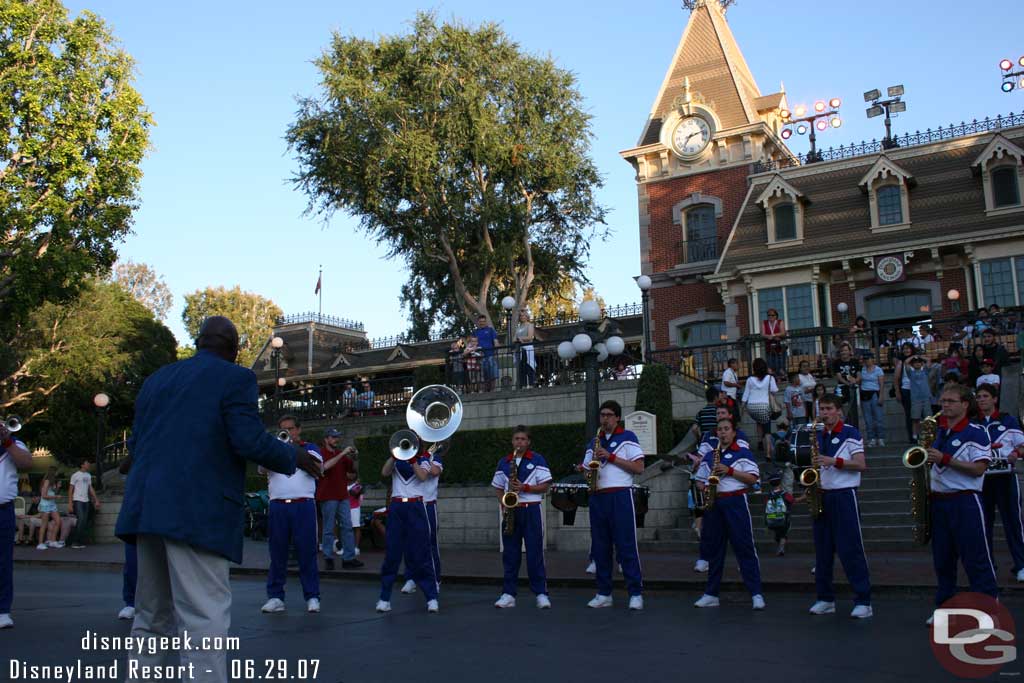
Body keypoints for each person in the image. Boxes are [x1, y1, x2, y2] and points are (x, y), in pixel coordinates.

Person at [115, 316, 320, 683]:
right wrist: (296, 457)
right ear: (234, 349)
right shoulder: (235, 378)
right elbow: (247, 440)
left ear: (198, 342)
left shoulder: (156, 380)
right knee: (203, 620)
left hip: (146, 509)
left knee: (150, 618)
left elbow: (135, 449)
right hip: (197, 512)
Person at [924, 384, 997, 625]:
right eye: (943, 401)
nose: (945, 405)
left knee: (975, 557)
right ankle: (945, 608)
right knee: (943, 560)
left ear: (965, 404)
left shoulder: (975, 432)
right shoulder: (940, 432)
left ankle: (987, 607)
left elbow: (978, 469)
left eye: (951, 401)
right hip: (939, 502)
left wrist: (945, 458)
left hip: (965, 500)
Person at [807, 395, 873, 619]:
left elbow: (861, 464)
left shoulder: (850, 432)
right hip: (823, 495)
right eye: (821, 408)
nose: (824, 413)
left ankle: (864, 600)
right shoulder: (819, 434)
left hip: (844, 495)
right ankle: (825, 598)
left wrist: (835, 461)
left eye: (828, 409)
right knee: (822, 551)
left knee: (850, 549)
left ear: (838, 411)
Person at [693, 417, 765, 610]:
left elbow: (753, 478)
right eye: (720, 429)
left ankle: (756, 593)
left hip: (735, 502)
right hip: (714, 503)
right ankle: (711, 593)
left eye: (726, 429)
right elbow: (699, 481)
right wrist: (704, 488)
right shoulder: (709, 456)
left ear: (734, 433)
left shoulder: (743, 453)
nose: (723, 432)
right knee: (715, 550)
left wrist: (730, 471)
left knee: (745, 547)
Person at [581, 400, 645, 610]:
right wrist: (588, 471)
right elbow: (585, 469)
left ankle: (635, 593)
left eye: (609, 415)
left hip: (620, 495)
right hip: (598, 496)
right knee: (600, 547)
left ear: (617, 417)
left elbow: (639, 467)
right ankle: (604, 593)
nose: (605, 419)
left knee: (626, 546)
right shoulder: (594, 441)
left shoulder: (628, 438)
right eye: (602, 415)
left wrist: (612, 457)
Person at [261, 415, 323, 614]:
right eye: (283, 429)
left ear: (298, 430)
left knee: (307, 552)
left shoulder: (310, 448)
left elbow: (318, 467)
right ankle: (276, 597)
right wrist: (276, 448)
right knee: (277, 552)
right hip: (278, 505)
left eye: (291, 429)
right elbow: (262, 468)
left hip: (303, 504)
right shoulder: (273, 449)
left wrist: (292, 446)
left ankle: (312, 596)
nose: (287, 432)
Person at [376, 440, 442, 613]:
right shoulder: (396, 460)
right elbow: (384, 472)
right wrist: (393, 456)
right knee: (392, 554)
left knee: (422, 552)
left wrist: (413, 460)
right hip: (397, 505)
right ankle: (384, 598)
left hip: (416, 506)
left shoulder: (423, 459)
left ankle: (431, 597)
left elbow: (422, 476)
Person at [491, 426, 553, 609]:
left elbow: (545, 486)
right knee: (510, 555)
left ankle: (541, 593)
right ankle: (508, 594)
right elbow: (497, 486)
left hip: (531, 509)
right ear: (512, 441)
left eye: (523, 439)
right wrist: (504, 503)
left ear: (528, 442)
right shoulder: (504, 462)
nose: (519, 442)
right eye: (516, 439)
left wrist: (525, 488)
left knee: (535, 553)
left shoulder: (537, 459)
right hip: (512, 510)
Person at [975, 384, 1024, 582]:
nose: (981, 400)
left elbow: (1022, 446)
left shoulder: (1008, 420)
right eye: (978, 397)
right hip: (981, 479)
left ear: (994, 399)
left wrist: (1015, 453)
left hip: (1005, 477)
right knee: (983, 525)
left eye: (985, 396)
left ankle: (1021, 565)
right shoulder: (973, 424)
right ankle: (988, 567)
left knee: (1013, 522)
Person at [0, 421, 33, 628]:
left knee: (3, 562)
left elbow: (27, 463)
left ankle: (2, 610)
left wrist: (7, 441)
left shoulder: (15, 444)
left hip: (3, 510)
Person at [316, 428, 362, 571]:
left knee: (347, 527)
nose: (336, 439)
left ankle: (348, 558)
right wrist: (343, 453)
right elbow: (324, 468)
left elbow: (353, 471)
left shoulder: (340, 455)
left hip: (342, 496)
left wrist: (355, 458)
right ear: (326, 439)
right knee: (329, 529)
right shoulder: (320, 452)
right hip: (327, 496)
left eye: (337, 437)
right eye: (333, 437)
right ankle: (328, 558)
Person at [742, 357, 778, 450]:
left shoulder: (750, 379)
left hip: (752, 407)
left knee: (759, 421)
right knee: (767, 428)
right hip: (765, 406)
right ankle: (769, 451)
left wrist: (742, 408)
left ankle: (759, 442)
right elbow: (774, 391)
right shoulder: (770, 378)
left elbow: (745, 395)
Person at [67, 459, 100, 549]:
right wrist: (70, 504)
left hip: (86, 501)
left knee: (84, 521)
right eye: (87, 463)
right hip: (77, 500)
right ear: (82, 465)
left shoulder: (88, 475)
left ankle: (79, 541)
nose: (88, 464)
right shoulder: (75, 475)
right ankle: (75, 541)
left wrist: (96, 499)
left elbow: (90, 488)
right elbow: (70, 490)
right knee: (81, 519)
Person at [858, 352, 886, 447]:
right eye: (865, 359)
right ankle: (871, 438)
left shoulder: (878, 370)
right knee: (868, 419)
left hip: (875, 393)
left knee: (878, 417)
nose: (867, 361)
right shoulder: (862, 370)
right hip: (865, 394)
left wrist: (881, 396)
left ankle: (880, 438)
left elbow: (881, 384)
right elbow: (859, 381)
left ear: (872, 359)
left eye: (868, 359)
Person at [764, 471, 795, 556]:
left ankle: (780, 546)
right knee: (783, 534)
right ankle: (781, 547)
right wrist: (803, 497)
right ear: (780, 482)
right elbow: (792, 501)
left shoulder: (769, 495)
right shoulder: (784, 494)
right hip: (784, 518)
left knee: (777, 534)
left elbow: (766, 506)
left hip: (772, 517)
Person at [833, 345, 860, 429]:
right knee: (843, 411)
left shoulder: (855, 361)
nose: (843, 352)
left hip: (854, 387)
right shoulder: (837, 362)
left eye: (845, 350)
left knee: (854, 411)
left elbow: (859, 375)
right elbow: (839, 377)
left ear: (849, 351)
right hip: (842, 388)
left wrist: (855, 381)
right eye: (842, 351)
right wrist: (848, 384)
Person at [893, 343, 916, 442]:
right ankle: (912, 437)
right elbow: (896, 378)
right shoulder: (901, 362)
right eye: (904, 349)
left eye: (908, 348)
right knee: (909, 414)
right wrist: (897, 392)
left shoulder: (917, 360)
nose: (906, 351)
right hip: (906, 390)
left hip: (918, 391)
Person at [906, 356, 933, 440]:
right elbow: (906, 362)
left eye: (919, 362)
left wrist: (920, 356)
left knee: (928, 418)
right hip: (915, 399)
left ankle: (929, 434)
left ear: (921, 363)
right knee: (915, 418)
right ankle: (915, 435)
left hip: (926, 398)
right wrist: (913, 356)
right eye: (915, 362)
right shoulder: (911, 373)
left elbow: (929, 359)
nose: (917, 363)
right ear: (912, 364)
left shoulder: (925, 371)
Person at [35, 466, 61, 550]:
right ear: (53, 472)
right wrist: (56, 497)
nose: (58, 473)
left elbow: (53, 492)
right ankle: (40, 543)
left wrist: (58, 488)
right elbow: (44, 495)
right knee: (44, 524)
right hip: (46, 505)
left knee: (58, 521)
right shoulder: (47, 481)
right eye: (57, 472)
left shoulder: (53, 482)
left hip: (52, 504)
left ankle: (52, 541)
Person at [473, 314, 499, 392]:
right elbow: (472, 343)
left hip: (490, 354)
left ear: (486, 321)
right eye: (480, 321)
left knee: (492, 373)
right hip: (480, 356)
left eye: (483, 321)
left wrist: (497, 348)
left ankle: (492, 390)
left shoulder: (490, 330)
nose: (482, 323)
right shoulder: (475, 332)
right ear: (478, 322)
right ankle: (484, 390)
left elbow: (495, 341)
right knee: (482, 374)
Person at [515, 310, 537, 388]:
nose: (522, 317)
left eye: (524, 315)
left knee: (529, 366)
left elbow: (530, 337)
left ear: (527, 316)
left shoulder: (530, 325)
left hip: (527, 348)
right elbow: (515, 338)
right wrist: (517, 340)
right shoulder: (518, 327)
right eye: (520, 316)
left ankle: (531, 384)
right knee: (521, 367)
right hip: (520, 349)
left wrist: (521, 338)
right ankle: (523, 385)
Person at [762, 308, 786, 376]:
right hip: (769, 347)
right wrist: (768, 336)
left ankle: (781, 377)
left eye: (772, 315)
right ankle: (774, 378)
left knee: (781, 365)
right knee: (771, 365)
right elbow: (763, 334)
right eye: (769, 315)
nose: (770, 317)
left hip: (779, 347)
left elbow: (783, 332)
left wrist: (773, 335)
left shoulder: (780, 322)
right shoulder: (764, 322)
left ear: (776, 316)